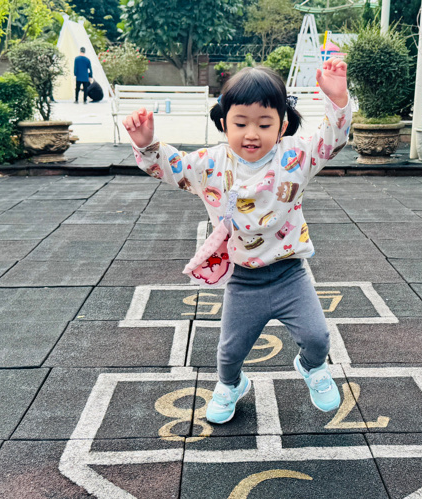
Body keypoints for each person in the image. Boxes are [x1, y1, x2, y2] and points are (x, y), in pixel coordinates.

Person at [123, 60, 352, 425]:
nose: (251, 134)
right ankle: (231, 385)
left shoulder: (295, 157)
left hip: (290, 274)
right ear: (224, 124)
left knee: (318, 338)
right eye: (241, 123)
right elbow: (173, 167)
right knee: (229, 354)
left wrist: (337, 100)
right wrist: (147, 145)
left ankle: (312, 367)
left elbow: (332, 140)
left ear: (282, 126)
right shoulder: (211, 163)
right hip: (244, 280)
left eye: (264, 124)